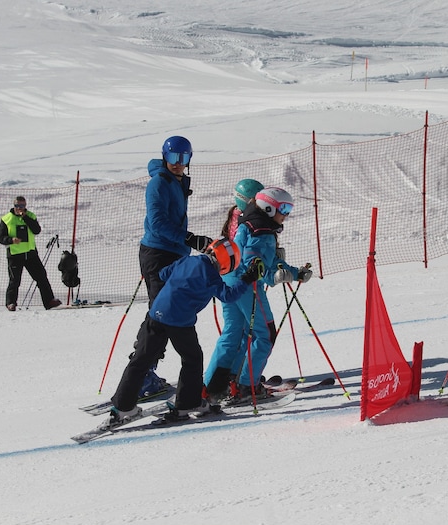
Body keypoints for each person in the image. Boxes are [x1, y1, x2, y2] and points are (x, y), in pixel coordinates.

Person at [104, 237, 263, 427]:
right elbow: (228, 296)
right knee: (192, 359)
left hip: (156, 313)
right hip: (179, 320)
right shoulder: (211, 275)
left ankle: (123, 407)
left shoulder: (190, 260)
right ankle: (186, 404)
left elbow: (163, 274)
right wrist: (247, 278)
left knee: (141, 360)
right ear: (226, 262)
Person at [203, 186, 312, 404]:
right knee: (265, 335)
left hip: (230, 281)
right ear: (268, 208)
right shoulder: (262, 231)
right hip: (247, 286)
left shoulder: (250, 222)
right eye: (284, 208)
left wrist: (294, 273)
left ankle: (215, 385)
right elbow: (255, 259)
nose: (287, 214)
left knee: (233, 332)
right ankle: (246, 386)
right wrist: (273, 275)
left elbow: (266, 260)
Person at [136, 135, 213, 397]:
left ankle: (147, 370)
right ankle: (142, 373)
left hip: (173, 253)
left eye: (183, 159)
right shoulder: (158, 183)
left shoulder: (176, 181)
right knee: (161, 313)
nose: (178, 164)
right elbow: (157, 223)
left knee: (168, 311)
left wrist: (188, 241)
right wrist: (190, 238)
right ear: (164, 157)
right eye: (173, 158)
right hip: (158, 253)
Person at [0, 196, 62, 311]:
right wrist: (11, 240)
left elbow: (36, 230)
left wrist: (25, 217)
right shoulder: (6, 219)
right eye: (17, 206)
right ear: (14, 206)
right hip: (15, 254)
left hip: (30, 253)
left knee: (41, 277)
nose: (19, 208)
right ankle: (11, 303)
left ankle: (49, 301)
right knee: (14, 280)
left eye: (22, 206)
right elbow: (0, 238)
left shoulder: (30, 216)